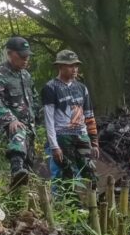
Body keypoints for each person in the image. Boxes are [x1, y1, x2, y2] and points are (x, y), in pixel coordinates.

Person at [41, 50, 99, 189]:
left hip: (81, 135)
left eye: (76, 65)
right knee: (67, 174)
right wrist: (54, 146)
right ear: (60, 66)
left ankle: (90, 206)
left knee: (90, 172)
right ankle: (65, 207)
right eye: (70, 66)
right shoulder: (50, 88)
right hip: (62, 136)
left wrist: (94, 142)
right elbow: (48, 120)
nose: (74, 69)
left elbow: (89, 115)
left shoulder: (82, 88)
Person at [0, 36, 39, 187]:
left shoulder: (26, 75)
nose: (26, 59)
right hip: (9, 128)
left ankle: (19, 198)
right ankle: (17, 169)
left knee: (28, 173)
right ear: (10, 54)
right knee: (18, 163)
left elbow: (34, 99)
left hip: (29, 128)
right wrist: (11, 119)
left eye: (27, 56)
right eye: (22, 56)